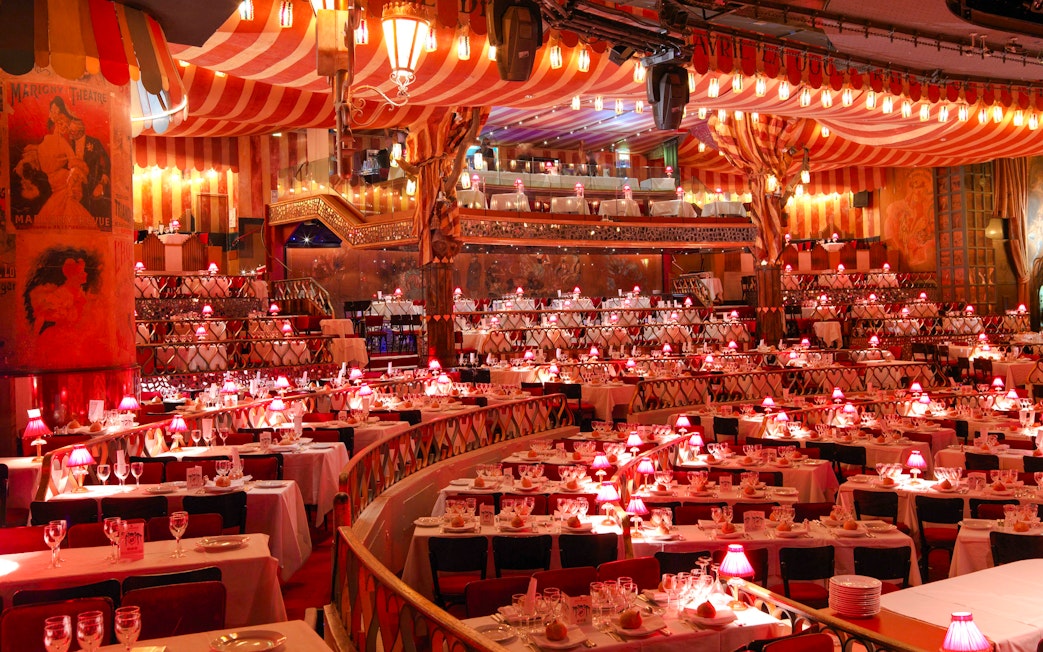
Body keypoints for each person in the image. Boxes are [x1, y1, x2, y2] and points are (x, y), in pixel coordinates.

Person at [67, 116, 111, 218]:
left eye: (73, 131)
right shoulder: (70, 143)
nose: (70, 133)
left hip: (92, 184)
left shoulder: (94, 142)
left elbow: (105, 159)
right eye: (70, 130)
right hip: (77, 185)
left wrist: (103, 179)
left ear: (81, 132)